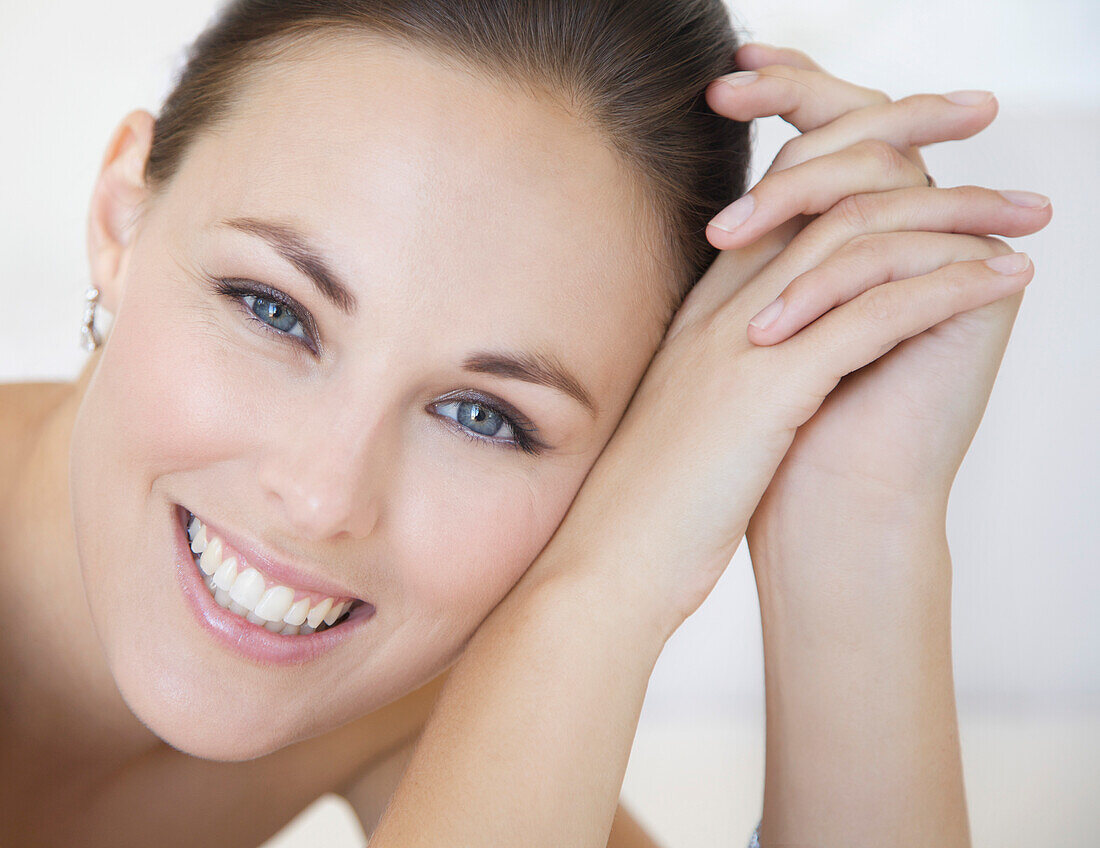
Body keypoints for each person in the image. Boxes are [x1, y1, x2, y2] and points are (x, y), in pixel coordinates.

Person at [0, 1, 1053, 846]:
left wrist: (852, 525)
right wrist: (601, 592)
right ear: (120, 216)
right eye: (274, 308)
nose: (323, 499)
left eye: (482, 416)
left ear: (624, 453)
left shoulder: (413, 699)